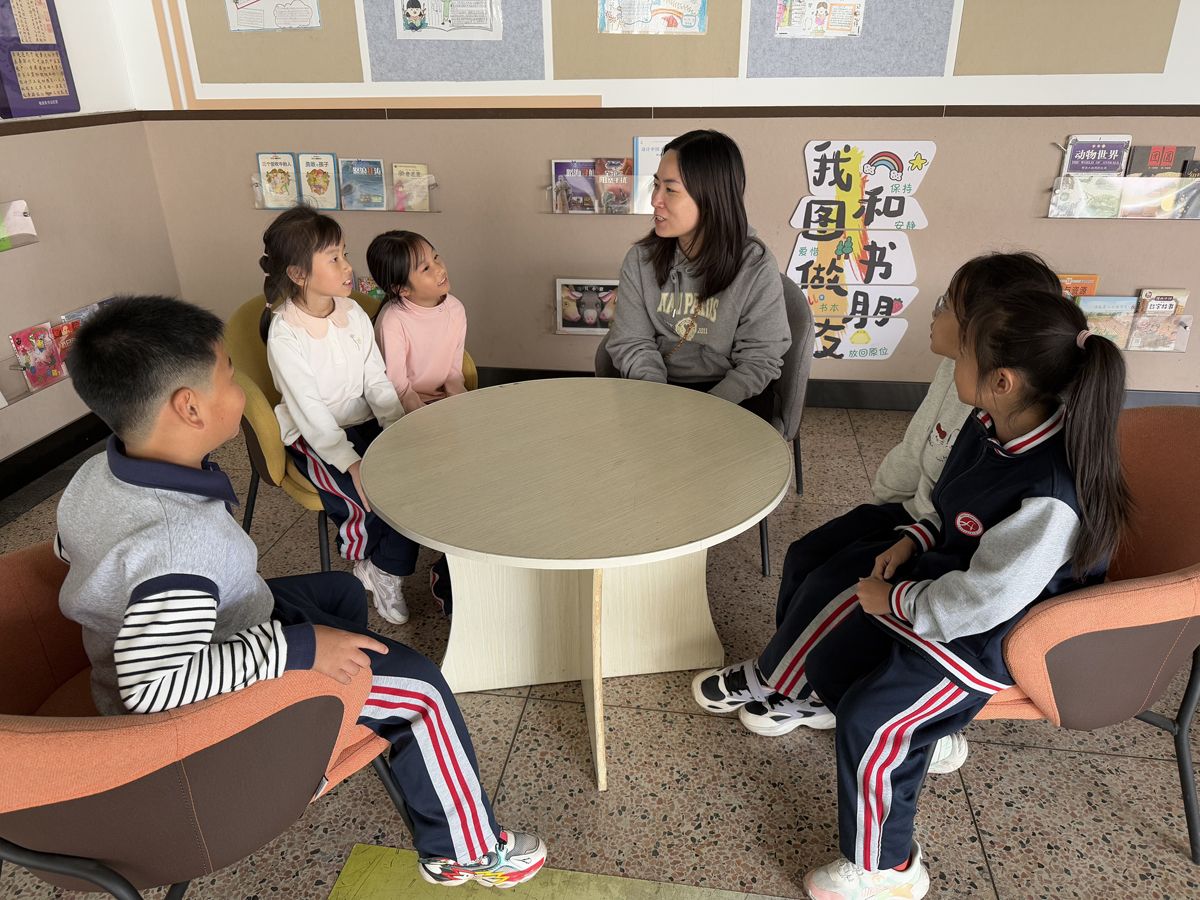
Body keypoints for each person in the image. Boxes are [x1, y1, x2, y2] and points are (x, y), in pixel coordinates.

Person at [55, 296, 546, 888]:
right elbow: (152, 687)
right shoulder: (176, 542)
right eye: (229, 375)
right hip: (207, 710)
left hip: (225, 625)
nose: (242, 392)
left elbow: (71, 553)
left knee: (340, 593)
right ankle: (465, 849)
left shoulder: (95, 474)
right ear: (189, 407)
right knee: (421, 689)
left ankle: (333, 717)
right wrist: (301, 650)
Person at [692, 283, 1130, 898]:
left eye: (964, 353)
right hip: (943, 588)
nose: (952, 362)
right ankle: (925, 734)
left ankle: (888, 869)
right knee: (833, 659)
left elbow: (985, 603)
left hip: (987, 641)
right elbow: (952, 510)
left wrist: (896, 601)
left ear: (1002, 380)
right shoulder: (988, 423)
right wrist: (913, 540)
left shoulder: (1050, 495)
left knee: (874, 723)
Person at [713, 252, 1063, 738]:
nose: (934, 313)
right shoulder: (961, 375)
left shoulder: (992, 408)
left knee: (833, 582)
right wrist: (886, 508)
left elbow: (967, 515)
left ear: (985, 335)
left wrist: (908, 530)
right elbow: (919, 449)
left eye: (947, 304)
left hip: (944, 536)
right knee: (806, 554)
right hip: (923, 514)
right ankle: (795, 674)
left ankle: (784, 682)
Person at [260, 206, 444, 626]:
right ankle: (383, 568)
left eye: (345, 254)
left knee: (414, 483)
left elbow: (376, 381)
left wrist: (397, 429)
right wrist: (351, 462)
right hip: (316, 438)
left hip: (364, 421)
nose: (347, 267)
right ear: (299, 274)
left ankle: (381, 567)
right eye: (334, 258)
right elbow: (311, 414)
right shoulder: (285, 333)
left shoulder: (354, 313)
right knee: (373, 497)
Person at [605, 129, 790, 424]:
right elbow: (632, 342)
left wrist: (705, 412)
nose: (654, 200)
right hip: (656, 387)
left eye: (670, 190)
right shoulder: (641, 259)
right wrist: (660, 402)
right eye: (656, 185)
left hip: (733, 394)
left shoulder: (754, 264)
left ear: (711, 197)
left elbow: (759, 359)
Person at [368, 230, 467, 414]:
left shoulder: (456, 309)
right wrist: (427, 418)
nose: (440, 269)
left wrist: (462, 408)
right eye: (426, 268)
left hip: (442, 404)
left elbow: (454, 375)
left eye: (435, 257)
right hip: (404, 409)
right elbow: (399, 388)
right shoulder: (392, 322)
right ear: (402, 289)